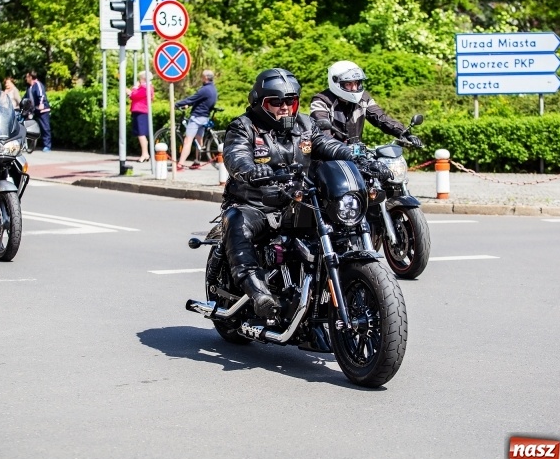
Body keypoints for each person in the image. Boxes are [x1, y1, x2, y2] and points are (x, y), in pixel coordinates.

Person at [221, 68, 389, 318]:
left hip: (299, 201)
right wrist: (250, 170)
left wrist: (359, 157)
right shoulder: (243, 127)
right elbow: (236, 155)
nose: (284, 107)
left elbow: (328, 145)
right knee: (237, 220)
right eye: (276, 102)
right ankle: (258, 293)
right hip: (256, 204)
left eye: (290, 101)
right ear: (260, 103)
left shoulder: (305, 125)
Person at [310, 60, 423, 148]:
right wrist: (339, 149)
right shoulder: (321, 101)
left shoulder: (363, 98)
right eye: (348, 84)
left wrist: (405, 133)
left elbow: (381, 118)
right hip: (328, 158)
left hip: (356, 155)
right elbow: (322, 136)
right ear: (336, 82)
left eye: (356, 83)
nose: (354, 88)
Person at [173, 69, 217, 170]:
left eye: (202, 77)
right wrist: (188, 105)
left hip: (197, 117)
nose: (201, 78)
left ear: (205, 77)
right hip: (204, 117)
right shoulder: (213, 89)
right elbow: (200, 101)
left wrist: (177, 104)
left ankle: (180, 165)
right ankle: (197, 162)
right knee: (198, 140)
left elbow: (192, 98)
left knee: (187, 141)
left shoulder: (204, 89)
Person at [128, 71, 154, 162]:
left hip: (140, 111)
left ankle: (145, 154)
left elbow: (134, 96)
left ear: (143, 79)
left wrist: (133, 89)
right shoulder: (146, 87)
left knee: (141, 133)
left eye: (140, 78)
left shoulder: (145, 88)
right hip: (141, 111)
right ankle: (145, 154)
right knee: (141, 134)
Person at [24, 69, 52, 151]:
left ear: (30, 77)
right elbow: (26, 98)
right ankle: (28, 144)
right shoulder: (29, 87)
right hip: (34, 110)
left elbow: (41, 95)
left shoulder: (38, 84)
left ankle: (47, 146)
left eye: (27, 77)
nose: (26, 79)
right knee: (29, 126)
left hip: (42, 110)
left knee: (45, 128)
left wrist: (41, 104)